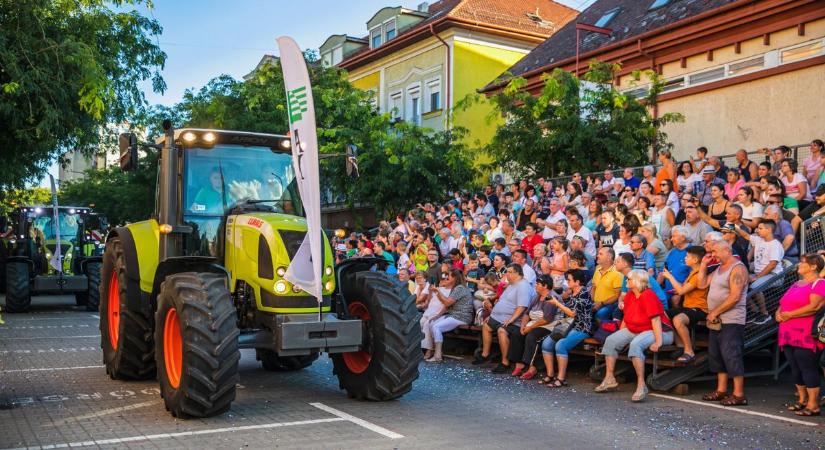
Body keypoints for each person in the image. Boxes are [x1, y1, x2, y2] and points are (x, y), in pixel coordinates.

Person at [595, 269, 674, 402]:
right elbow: (627, 316)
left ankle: (641, 385)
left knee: (636, 344)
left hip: (660, 331)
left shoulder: (648, 295)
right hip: (636, 329)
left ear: (637, 281)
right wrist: (620, 335)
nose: (626, 281)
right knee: (611, 340)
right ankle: (609, 378)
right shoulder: (631, 295)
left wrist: (658, 342)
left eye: (629, 279)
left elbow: (656, 320)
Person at [697, 241, 749, 406]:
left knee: (731, 354)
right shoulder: (719, 268)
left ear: (727, 250)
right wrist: (703, 265)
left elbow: (735, 296)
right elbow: (701, 284)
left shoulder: (738, 268)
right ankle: (721, 390)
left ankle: (739, 394)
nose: (713, 255)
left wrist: (715, 312)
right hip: (717, 319)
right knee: (717, 355)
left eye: (715, 251)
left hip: (731, 319)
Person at [777, 254, 825, 417]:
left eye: (803, 263)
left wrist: (790, 315)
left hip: (805, 333)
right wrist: (779, 313)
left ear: (813, 267)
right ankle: (803, 399)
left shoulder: (820, 283)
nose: (799, 265)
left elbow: (814, 307)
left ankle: (813, 404)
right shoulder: (797, 283)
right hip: (788, 332)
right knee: (795, 367)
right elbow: (782, 302)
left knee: (807, 367)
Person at [540, 270, 594, 388]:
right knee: (546, 343)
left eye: (569, 280)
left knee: (561, 345)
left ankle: (561, 378)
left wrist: (556, 303)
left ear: (577, 282)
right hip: (567, 325)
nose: (567, 282)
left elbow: (572, 313)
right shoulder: (572, 292)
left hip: (581, 328)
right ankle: (550, 375)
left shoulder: (584, 293)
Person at [473, 264, 532, 371]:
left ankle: (505, 362)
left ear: (517, 273)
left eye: (509, 272)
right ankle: (485, 354)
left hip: (514, 321)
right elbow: (502, 300)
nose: (506, 274)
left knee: (502, 331)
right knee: (486, 325)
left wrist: (511, 320)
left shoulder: (523, 286)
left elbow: (522, 306)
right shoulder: (512, 284)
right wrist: (492, 315)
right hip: (499, 317)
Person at [662, 246, 709, 364]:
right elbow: (682, 289)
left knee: (678, 319)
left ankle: (689, 351)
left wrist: (669, 277)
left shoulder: (699, 274)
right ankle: (681, 345)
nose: (685, 258)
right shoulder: (692, 272)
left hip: (699, 309)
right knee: (662, 314)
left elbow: (682, 291)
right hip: (688, 307)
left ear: (695, 260)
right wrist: (676, 290)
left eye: (687, 256)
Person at [507, 275, 559, 380]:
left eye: (538, 284)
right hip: (535, 323)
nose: (535, 285)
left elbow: (547, 319)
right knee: (517, 333)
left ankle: (532, 367)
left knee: (532, 336)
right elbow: (527, 313)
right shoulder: (537, 296)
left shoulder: (551, 298)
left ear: (545, 286)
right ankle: (519, 364)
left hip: (549, 326)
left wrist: (530, 328)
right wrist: (523, 326)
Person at [423, 269, 475, 362]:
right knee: (431, 323)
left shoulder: (460, 288)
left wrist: (437, 291)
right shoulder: (456, 288)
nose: (447, 277)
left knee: (436, 327)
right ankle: (438, 352)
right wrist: (437, 316)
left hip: (461, 316)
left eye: (449, 276)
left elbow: (446, 303)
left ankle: (437, 356)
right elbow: (447, 305)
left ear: (454, 278)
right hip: (453, 314)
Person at [592, 247, 623, 321]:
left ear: (609, 257)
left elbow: (617, 296)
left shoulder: (617, 273)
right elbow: (593, 287)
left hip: (609, 304)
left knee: (600, 314)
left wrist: (601, 303)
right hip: (596, 303)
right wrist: (592, 302)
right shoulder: (597, 269)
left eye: (601, 254)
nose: (597, 256)